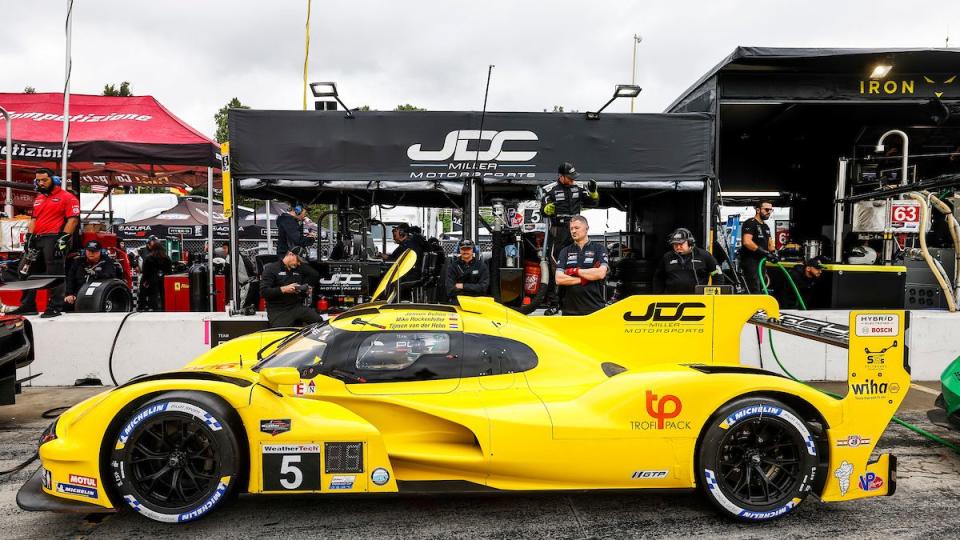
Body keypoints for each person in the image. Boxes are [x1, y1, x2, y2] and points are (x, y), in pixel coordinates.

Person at [13, 168, 81, 317]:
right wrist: (29, 237)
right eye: (38, 180)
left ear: (54, 179)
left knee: (54, 272)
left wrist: (63, 239)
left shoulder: (67, 197)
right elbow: (34, 219)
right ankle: (28, 305)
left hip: (55, 238)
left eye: (45, 180)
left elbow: (73, 219)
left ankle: (55, 307)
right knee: (25, 270)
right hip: (37, 239)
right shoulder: (39, 198)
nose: (41, 183)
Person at [539, 162, 599, 315]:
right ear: (561, 176)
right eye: (570, 177)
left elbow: (593, 202)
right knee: (556, 266)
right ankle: (554, 303)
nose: (573, 180)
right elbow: (543, 211)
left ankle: (579, 301)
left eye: (574, 177)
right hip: (558, 230)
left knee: (579, 264)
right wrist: (547, 209)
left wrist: (593, 193)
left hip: (576, 228)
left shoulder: (578, 189)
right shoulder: (550, 190)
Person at [555, 215, 609, 316]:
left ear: (587, 228)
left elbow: (601, 273)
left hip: (595, 310)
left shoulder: (599, 249)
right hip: (569, 311)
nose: (573, 231)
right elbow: (559, 279)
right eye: (571, 228)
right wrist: (585, 279)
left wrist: (575, 271)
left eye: (576, 228)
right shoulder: (565, 251)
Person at [260, 246, 322, 328]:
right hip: (278, 309)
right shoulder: (271, 269)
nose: (299, 263)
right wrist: (284, 289)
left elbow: (314, 275)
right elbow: (264, 292)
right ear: (290, 254)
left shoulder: (298, 269)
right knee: (281, 333)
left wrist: (304, 291)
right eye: (298, 260)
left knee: (319, 321)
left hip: (296, 306)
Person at [652, 228, 721, 294]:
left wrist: (714, 295)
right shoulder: (667, 257)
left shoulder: (704, 255)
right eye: (675, 244)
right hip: (671, 300)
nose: (678, 247)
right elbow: (658, 277)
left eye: (681, 244)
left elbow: (717, 275)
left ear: (690, 242)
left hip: (699, 300)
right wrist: (658, 295)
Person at [64, 240, 118, 307]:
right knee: (65, 303)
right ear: (85, 251)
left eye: (94, 251)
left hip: (98, 294)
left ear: (100, 251)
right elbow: (70, 279)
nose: (91, 253)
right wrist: (69, 294)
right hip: (78, 294)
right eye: (89, 251)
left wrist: (96, 274)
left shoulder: (107, 262)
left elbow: (111, 275)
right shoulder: (78, 262)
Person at [739, 200, 777, 294]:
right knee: (753, 288)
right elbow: (747, 242)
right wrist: (764, 252)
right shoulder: (750, 223)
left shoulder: (766, 226)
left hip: (761, 262)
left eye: (771, 210)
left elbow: (770, 244)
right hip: (750, 261)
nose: (769, 212)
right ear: (758, 210)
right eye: (766, 209)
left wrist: (774, 253)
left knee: (761, 287)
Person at [445, 239, 489, 303]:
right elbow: (450, 290)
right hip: (458, 302)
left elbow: (483, 288)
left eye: (468, 248)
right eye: (463, 249)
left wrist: (463, 286)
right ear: (459, 250)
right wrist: (473, 289)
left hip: (477, 302)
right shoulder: (453, 267)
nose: (465, 251)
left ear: (473, 250)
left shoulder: (481, 266)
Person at [139, 237, 172, 311]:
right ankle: (164, 309)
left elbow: (145, 272)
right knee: (163, 295)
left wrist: (145, 281)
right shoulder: (167, 258)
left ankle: (149, 308)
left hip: (151, 281)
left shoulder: (149, 258)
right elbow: (169, 272)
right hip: (164, 280)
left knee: (153, 296)